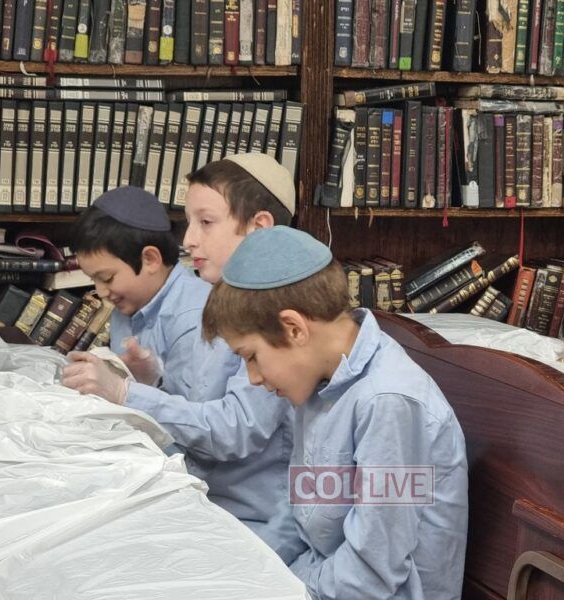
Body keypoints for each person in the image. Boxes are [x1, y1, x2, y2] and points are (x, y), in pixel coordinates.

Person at [201, 226, 469, 599]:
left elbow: (371, 575)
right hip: (322, 582)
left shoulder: (388, 402)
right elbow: (299, 518)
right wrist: (250, 569)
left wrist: (277, 588)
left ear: (294, 329)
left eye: (251, 357)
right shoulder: (319, 379)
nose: (254, 378)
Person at [65, 153, 296, 534]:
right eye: (190, 223)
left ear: (259, 228)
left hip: (249, 519)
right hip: (203, 496)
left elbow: (234, 430)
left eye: (206, 222)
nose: (187, 241)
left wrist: (127, 394)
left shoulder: (278, 315)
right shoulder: (227, 298)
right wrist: (152, 381)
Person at [62, 187, 208, 401]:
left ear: (150, 259)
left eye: (107, 278)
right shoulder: (128, 305)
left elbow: (194, 414)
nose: (101, 292)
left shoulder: (196, 316)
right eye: (93, 280)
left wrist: (136, 389)